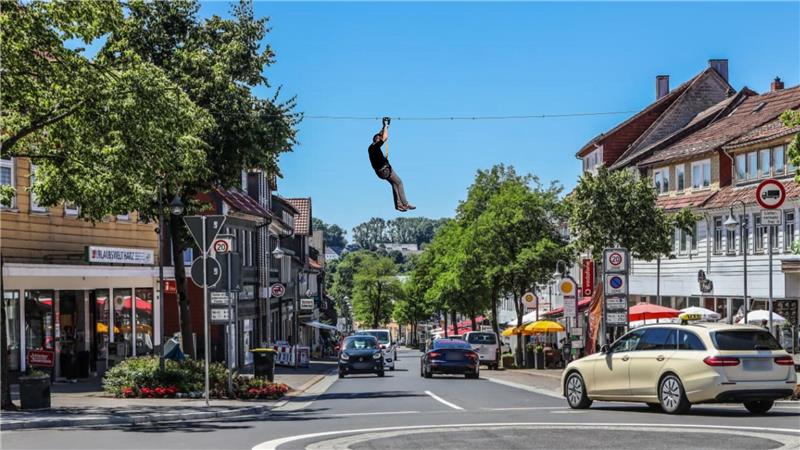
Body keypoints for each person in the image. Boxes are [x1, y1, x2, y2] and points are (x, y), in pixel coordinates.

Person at [368, 117, 415, 211]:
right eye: (379, 138)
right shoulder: (375, 146)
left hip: (380, 172)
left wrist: (385, 127)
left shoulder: (372, 147)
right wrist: (385, 126)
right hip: (385, 170)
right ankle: (405, 204)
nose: (381, 138)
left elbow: (380, 135)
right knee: (399, 182)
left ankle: (398, 206)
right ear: (377, 140)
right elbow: (384, 137)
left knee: (394, 185)